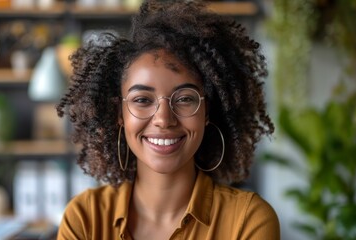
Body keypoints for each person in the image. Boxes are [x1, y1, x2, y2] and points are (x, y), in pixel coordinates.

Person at [56, 0, 280, 239]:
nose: (164, 119)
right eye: (142, 100)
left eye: (184, 99)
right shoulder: (84, 219)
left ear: (207, 111)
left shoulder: (248, 220)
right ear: (119, 115)